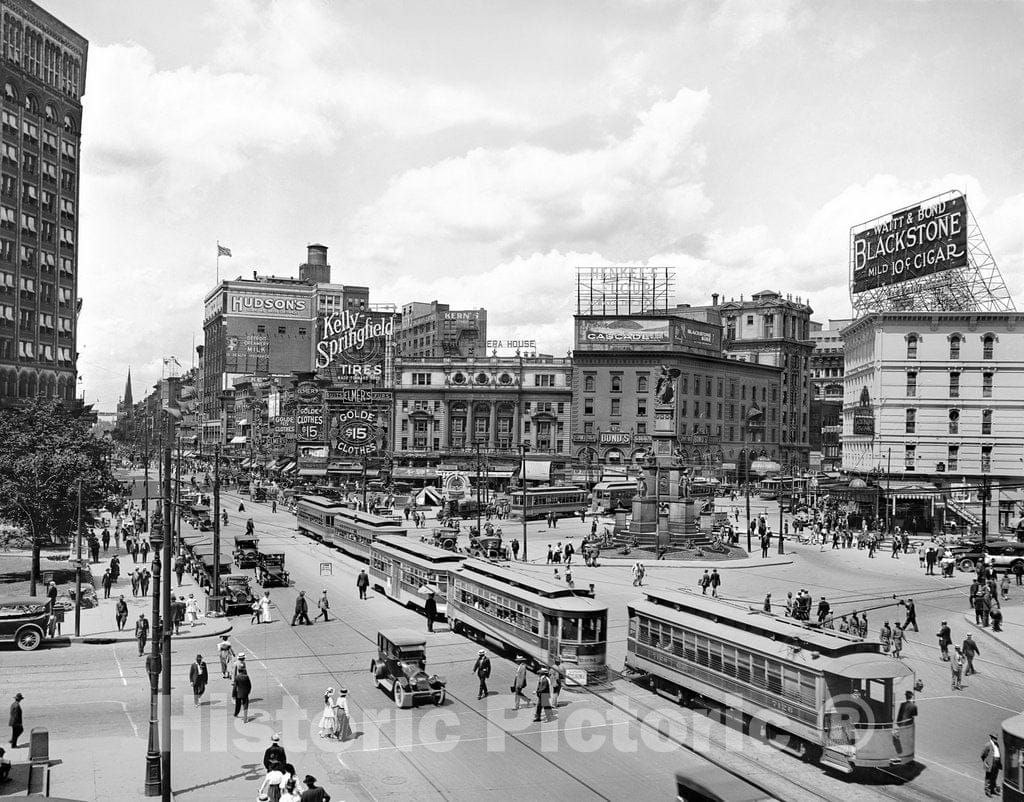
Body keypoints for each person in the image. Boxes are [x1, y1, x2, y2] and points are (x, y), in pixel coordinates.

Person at [232, 654, 252, 721]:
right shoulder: (235, 664)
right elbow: (234, 673)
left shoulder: (243, 663)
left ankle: (236, 714)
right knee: (244, 704)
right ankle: (243, 717)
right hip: (239, 682)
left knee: (238, 703)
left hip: (240, 683)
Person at [982, 733, 1002, 797]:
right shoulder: (988, 745)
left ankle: (993, 790)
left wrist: (999, 763)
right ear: (991, 738)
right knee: (988, 778)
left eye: (996, 738)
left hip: (996, 763)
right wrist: (986, 762)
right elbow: (982, 755)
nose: (996, 739)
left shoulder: (997, 745)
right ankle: (987, 791)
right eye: (994, 738)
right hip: (991, 763)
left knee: (994, 777)